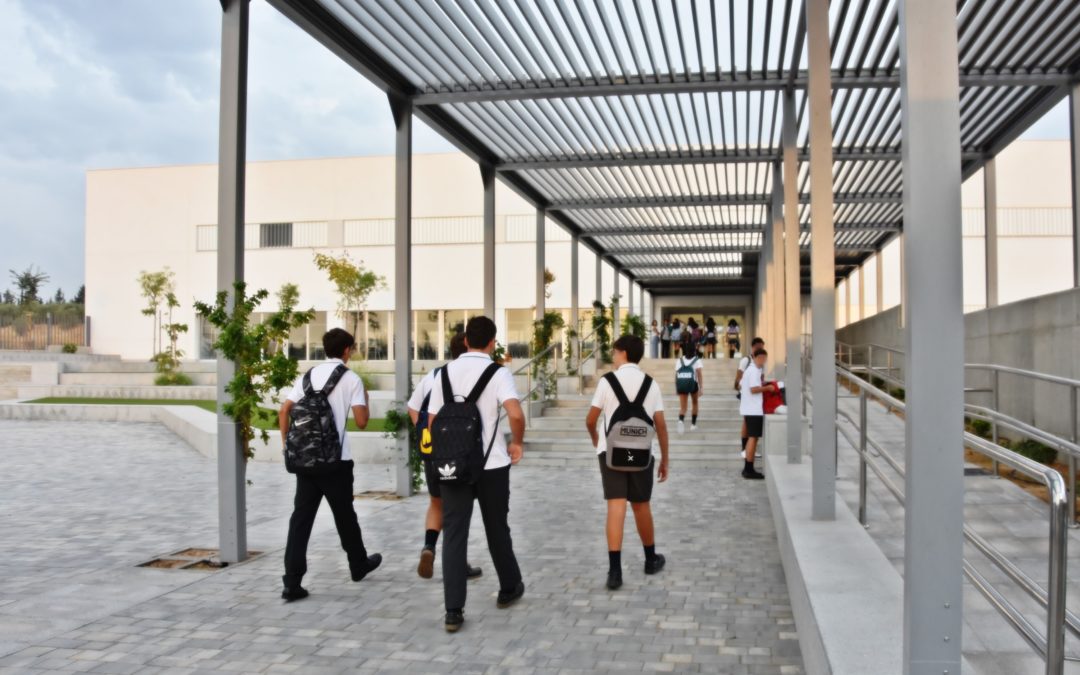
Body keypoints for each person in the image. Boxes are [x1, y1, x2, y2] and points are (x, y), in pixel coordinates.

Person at [426, 316, 526, 633]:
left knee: (454, 533)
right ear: (493, 343)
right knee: (497, 527)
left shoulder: (443, 374)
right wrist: (518, 443)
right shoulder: (498, 373)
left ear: (465, 340)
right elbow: (515, 413)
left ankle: (453, 610)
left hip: (451, 465)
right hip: (492, 464)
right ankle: (509, 588)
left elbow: (431, 421)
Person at [278, 328, 382, 601]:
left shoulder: (308, 376)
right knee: (345, 516)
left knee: (300, 520)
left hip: (306, 461)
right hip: (336, 461)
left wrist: (287, 445)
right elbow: (361, 422)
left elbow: (284, 410)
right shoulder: (351, 379)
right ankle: (358, 565)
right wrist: (365, 400)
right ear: (347, 350)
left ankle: (291, 581)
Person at [585, 335, 670, 591]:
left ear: (622, 352)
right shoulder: (650, 384)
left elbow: (591, 419)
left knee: (616, 506)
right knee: (641, 506)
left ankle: (615, 572)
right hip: (641, 453)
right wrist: (665, 459)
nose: (612, 354)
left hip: (611, 452)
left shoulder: (607, 381)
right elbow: (661, 426)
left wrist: (596, 439)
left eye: (614, 350)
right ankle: (650, 559)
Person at [407, 333, 481, 582]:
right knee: (459, 509)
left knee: (436, 502)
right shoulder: (475, 375)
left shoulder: (435, 375)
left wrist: (428, 433)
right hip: (463, 453)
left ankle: (429, 546)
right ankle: (458, 562)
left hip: (433, 452)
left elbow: (413, 407)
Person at [740, 348, 776, 480]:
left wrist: (763, 384)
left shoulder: (752, 370)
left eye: (764, 358)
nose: (763, 361)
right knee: (753, 438)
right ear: (755, 357)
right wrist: (767, 388)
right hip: (753, 409)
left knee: (753, 438)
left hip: (750, 408)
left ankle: (748, 468)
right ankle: (748, 469)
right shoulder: (754, 370)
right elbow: (754, 389)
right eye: (760, 358)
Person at [734, 338, 766, 457]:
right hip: (747, 394)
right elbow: (738, 377)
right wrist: (740, 389)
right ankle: (744, 449)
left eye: (762, 347)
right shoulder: (746, 360)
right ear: (752, 347)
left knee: (750, 424)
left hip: (755, 395)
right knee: (746, 422)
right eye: (758, 347)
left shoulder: (760, 361)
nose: (760, 349)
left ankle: (749, 449)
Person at [674, 347, 704, 434]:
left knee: (683, 407)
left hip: (682, 384)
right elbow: (699, 374)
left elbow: (677, 374)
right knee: (695, 403)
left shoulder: (680, 360)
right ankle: (693, 425)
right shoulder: (697, 360)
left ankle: (680, 420)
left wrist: (677, 387)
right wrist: (701, 387)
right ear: (694, 351)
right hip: (693, 385)